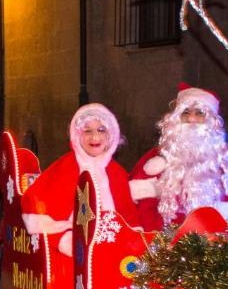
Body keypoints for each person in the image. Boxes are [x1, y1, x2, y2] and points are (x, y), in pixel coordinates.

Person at [129, 84, 228, 230]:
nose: (192, 119)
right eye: (186, 113)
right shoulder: (155, 160)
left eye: (199, 113)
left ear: (212, 120)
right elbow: (144, 209)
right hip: (167, 241)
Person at [21, 103, 140, 257]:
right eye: (87, 131)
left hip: (113, 254)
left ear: (110, 135)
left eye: (101, 130)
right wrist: (64, 240)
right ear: (77, 135)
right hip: (68, 256)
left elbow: (130, 219)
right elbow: (34, 206)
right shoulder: (63, 168)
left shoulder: (117, 173)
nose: (94, 137)